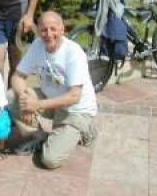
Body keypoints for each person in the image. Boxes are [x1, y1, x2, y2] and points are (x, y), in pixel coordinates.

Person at [9, 11, 98, 169]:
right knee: (11, 97)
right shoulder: (38, 45)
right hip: (50, 101)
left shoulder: (74, 53)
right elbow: (17, 76)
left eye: (53, 29)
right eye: (43, 30)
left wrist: (36, 105)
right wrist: (25, 99)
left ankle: (85, 129)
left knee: (50, 160)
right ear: (38, 31)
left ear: (62, 30)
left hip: (75, 110)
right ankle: (39, 136)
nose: (48, 34)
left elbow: (74, 97)